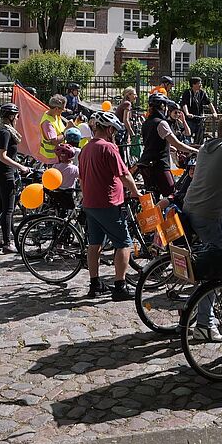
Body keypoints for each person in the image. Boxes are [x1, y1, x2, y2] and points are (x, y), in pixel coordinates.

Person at [180, 115, 222, 339]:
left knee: (206, 258)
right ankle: (204, 325)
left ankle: (197, 310)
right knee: (215, 268)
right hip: (209, 215)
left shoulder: (205, 148)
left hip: (190, 209)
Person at [78, 110, 141, 301]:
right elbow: (124, 174)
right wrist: (136, 192)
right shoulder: (109, 148)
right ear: (110, 129)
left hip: (90, 202)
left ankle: (95, 284)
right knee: (124, 243)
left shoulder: (86, 149)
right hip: (109, 203)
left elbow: (82, 179)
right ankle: (120, 286)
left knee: (94, 243)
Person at [135, 94, 196, 197]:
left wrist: (168, 146)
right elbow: (177, 144)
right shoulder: (161, 123)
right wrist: (195, 151)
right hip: (159, 164)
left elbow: (153, 142)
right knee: (172, 196)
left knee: (153, 197)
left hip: (145, 163)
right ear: (163, 107)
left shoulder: (147, 122)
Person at [0, 103, 26, 252]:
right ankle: (7, 243)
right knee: (8, 210)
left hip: (2, 172)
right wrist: (21, 167)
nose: (18, 118)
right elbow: (2, 156)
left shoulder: (3, 130)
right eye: (16, 116)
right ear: (11, 117)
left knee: (0, 206)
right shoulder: (5, 132)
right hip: (6, 173)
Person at [179, 76, 214, 143]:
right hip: (190, 119)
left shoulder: (202, 93)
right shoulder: (187, 93)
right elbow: (184, 104)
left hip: (199, 118)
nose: (201, 85)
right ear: (193, 84)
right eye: (199, 83)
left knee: (200, 137)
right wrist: (187, 113)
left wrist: (214, 112)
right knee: (188, 136)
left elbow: (209, 103)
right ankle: (187, 149)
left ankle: (198, 149)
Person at [39, 94, 67, 167]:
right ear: (57, 109)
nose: (63, 111)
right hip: (53, 158)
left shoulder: (55, 115)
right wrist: (67, 131)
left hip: (59, 155)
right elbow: (54, 141)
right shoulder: (47, 123)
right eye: (62, 109)